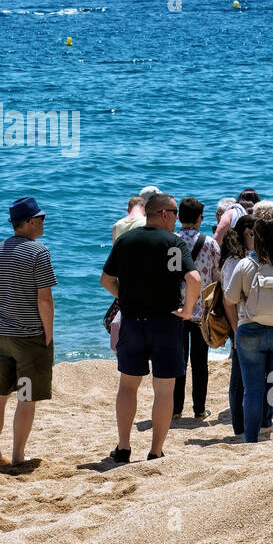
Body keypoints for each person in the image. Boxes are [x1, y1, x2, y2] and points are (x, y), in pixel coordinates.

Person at [101, 192, 200, 461]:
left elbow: (106, 280)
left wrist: (125, 296)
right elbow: (193, 279)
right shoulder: (174, 243)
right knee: (164, 390)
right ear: (165, 214)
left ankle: (123, 447)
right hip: (166, 323)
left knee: (128, 386)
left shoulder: (126, 240)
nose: (177, 218)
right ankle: (156, 451)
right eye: (175, 213)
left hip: (133, 320)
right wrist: (188, 311)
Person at [0, 196, 56, 467]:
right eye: (42, 219)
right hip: (30, 338)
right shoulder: (38, 252)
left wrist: (0, 316)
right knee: (26, 397)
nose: (44, 223)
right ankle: (17, 456)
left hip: (4, 335)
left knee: (0, 393)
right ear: (30, 222)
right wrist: (48, 334)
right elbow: (44, 300)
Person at [225, 217, 273, 442]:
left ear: (255, 237)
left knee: (253, 390)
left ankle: (250, 440)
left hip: (251, 332)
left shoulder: (246, 264)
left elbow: (229, 299)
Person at [174, 197, 220, 420]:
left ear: (179, 217)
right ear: (200, 218)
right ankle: (199, 409)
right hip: (201, 312)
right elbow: (216, 277)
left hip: (176, 311)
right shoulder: (210, 243)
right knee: (200, 363)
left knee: (177, 361)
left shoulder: (170, 241)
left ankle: (175, 409)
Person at [217, 226, 247, 433]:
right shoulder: (236, 262)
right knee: (238, 379)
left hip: (240, 324)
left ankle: (241, 423)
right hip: (240, 324)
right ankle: (239, 424)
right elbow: (230, 301)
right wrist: (237, 330)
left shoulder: (233, 262)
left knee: (240, 379)